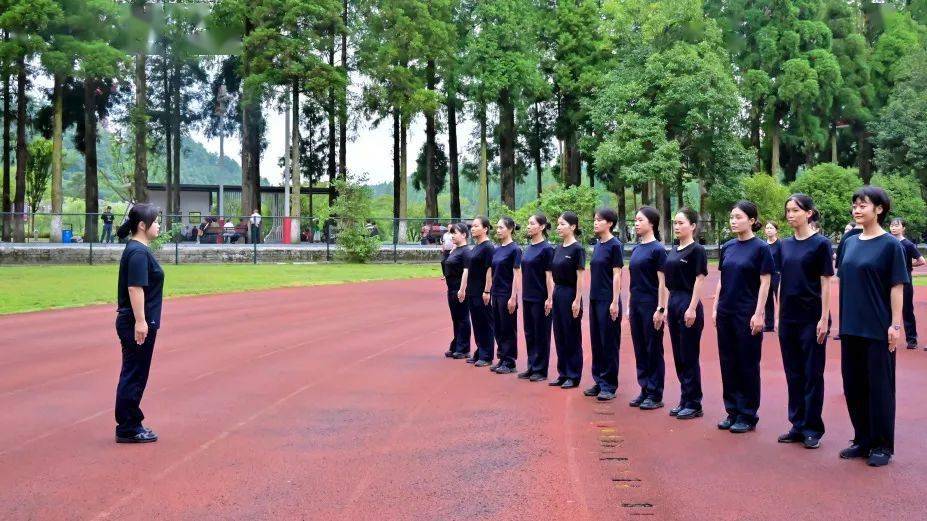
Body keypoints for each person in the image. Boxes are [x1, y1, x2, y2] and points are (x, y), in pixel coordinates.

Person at [837, 186, 908, 467]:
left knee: (879, 388)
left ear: (879, 209)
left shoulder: (891, 245)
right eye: (854, 204)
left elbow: (896, 286)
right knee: (853, 385)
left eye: (863, 205)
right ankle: (862, 439)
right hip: (850, 327)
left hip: (878, 329)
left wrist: (895, 325)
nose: (856, 209)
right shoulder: (850, 242)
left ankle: (881, 444)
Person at [777, 194, 834, 449]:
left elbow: (825, 282)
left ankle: (812, 427)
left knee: (812, 373)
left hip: (812, 318)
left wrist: (824, 318)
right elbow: (781, 281)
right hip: (788, 317)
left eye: (795, 210)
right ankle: (797, 424)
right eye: (788, 210)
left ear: (809, 213)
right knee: (793, 373)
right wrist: (778, 315)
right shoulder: (784, 245)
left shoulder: (821, 244)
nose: (790, 214)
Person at [713, 200, 774, 434]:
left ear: (751, 220)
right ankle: (732, 411)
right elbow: (723, 278)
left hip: (747, 312)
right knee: (727, 362)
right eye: (731, 217)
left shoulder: (761, 248)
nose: (733, 220)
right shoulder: (728, 247)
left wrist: (759, 313)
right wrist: (717, 306)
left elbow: (765, 282)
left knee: (747, 363)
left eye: (738, 217)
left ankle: (748, 414)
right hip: (726, 311)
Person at [113, 203, 164, 443]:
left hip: (137, 321)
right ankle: (128, 426)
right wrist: (141, 322)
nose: (159, 225)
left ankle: (131, 421)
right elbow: (135, 287)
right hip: (136, 323)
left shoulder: (138, 250)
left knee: (135, 373)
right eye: (155, 221)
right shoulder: (137, 252)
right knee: (134, 374)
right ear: (143, 226)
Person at [663, 208, 708, 420]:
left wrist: (692, 307)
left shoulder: (696, 250)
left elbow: (700, 279)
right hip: (674, 301)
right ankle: (685, 397)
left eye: (681, 223)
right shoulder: (673, 249)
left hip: (688, 301)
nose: (677, 226)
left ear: (692, 226)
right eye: (675, 223)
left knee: (689, 355)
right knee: (679, 355)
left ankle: (694, 402)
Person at [628, 206, 667, 410]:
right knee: (640, 348)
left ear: (651, 223)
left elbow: (662, 282)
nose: (636, 223)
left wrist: (661, 308)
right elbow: (633, 280)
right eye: (635, 220)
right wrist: (629, 306)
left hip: (651, 304)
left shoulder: (657, 250)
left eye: (640, 220)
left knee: (653, 348)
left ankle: (655, 392)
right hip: (636, 303)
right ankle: (644, 389)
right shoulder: (636, 249)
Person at [584, 208, 624, 401]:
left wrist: (615, 301)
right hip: (595, 299)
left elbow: (617, 274)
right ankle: (599, 380)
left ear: (609, 223)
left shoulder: (615, 245)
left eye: (599, 220)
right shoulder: (599, 245)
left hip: (608, 300)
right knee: (597, 342)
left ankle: (609, 384)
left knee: (609, 342)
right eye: (594, 219)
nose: (595, 222)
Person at [549, 211, 586, 389]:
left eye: (562, 224)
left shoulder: (577, 249)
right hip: (558, 292)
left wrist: (577, 300)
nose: (559, 227)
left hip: (570, 293)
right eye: (558, 224)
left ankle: (573, 374)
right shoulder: (557, 248)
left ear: (573, 227)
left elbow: (580, 277)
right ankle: (562, 372)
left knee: (572, 334)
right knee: (559, 333)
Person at [519, 213, 554, 382]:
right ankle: (532, 365)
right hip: (527, 296)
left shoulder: (547, 249)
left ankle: (541, 369)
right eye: (528, 223)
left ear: (541, 227)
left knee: (541, 333)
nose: (528, 226)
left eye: (531, 223)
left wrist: (549, 298)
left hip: (540, 298)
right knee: (530, 333)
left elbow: (549, 276)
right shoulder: (529, 248)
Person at [458, 217, 495, 367]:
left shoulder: (488, 247)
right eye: (472, 226)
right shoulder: (476, 247)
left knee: (485, 323)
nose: (472, 229)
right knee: (477, 322)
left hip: (482, 291)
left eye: (476, 226)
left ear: (485, 228)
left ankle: (487, 355)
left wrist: (487, 290)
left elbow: (489, 269)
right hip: (473, 291)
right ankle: (479, 351)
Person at [489, 217, 523, 374]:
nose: (498, 230)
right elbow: (492, 272)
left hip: (507, 293)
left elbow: (517, 274)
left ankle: (510, 361)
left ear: (510, 229)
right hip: (496, 293)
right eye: (497, 227)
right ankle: (502, 357)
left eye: (501, 227)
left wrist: (514, 296)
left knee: (508, 327)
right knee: (498, 327)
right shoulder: (497, 249)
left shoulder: (515, 249)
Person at [889, 218, 925, 350]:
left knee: (907, 309)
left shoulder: (908, 244)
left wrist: (908, 265)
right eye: (892, 225)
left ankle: (912, 339)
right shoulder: (888, 242)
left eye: (896, 226)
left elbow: (921, 260)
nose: (893, 228)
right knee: (887, 307)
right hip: (889, 280)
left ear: (903, 228)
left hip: (905, 280)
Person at [443, 223, 472, 359]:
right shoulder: (456, 250)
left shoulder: (466, 251)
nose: (452, 235)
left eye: (455, 233)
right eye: (451, 233)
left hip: (459, 289)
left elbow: (466, 270)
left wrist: (462, 289)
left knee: (463, 318)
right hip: (451, 288)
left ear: (464, 235)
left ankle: (463, 348)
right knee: (456, 318)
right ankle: (456, 345)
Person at [764, 221, 782, 332]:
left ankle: (780, 322)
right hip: (765, 275)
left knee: (779, 299)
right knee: (767, 299)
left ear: (776, 230)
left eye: (771, 228)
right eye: (767, 228)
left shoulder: (780, 244)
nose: (769, 229)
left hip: (777, 275)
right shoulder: (763, 244)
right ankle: (769, 324)